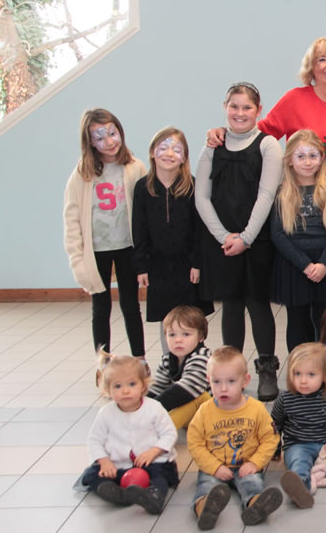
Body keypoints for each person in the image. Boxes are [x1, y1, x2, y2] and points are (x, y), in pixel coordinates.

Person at [207, 38, 326, 295]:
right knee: (306, 286)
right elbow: (259, 133)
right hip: (306, 210)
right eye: (322, 59)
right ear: (311, 67)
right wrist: (226, 132)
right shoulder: (295, 99)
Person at [196, 82, 282, 400]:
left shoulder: (267, 145)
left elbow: (266, 195)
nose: (240, 112)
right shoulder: (212, 147)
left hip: (256, 239)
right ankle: (230, 373)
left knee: (258, 304)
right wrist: (224, 236)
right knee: (231, 305)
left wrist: (246, 238)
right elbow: (202, 197)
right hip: (223, 241)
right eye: (234, 106)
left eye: (247, 107)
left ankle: (267, 368)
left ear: (259, 110)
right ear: (225, 107)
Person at [63, 108, 147, 365]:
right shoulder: (82, 174)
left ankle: (140, 359)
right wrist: (78, 261)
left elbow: (146, 210)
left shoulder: (134, 167)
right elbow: (71, 219)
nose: (109, 142)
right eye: (99, 137)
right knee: (101, 308)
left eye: (112, 133)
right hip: (97, 250)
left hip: (127, 247)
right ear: (89, 142)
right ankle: (104, 363)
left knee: (131, 306)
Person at [133, 127, 213, 356]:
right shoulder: (142, 188)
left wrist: (197, 263)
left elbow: (200, 229)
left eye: (177, 149)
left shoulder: (193, 186)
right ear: (152, 152)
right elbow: (139, 229)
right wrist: (141, 266)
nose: (169, 153)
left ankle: (195, 362)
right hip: (158, 267)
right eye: (163, 148)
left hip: (187, 266)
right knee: (167, 319)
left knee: (191, 318)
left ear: (184, 157)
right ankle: (170, 363)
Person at [187, 346, 282, 530]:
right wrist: (214, 467)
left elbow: (270, 439)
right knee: (207, 487)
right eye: (216, 381)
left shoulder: (256, 409)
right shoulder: (204, 411)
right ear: (208, 380)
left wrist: (255, 463)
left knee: (253, 484)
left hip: (246, 465)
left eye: (231, 381)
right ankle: (204, 509)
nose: (223, 388)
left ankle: (256, 506)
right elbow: (195, 443)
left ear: (245, 381)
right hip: (213, 466)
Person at [270, 129, 326, 350]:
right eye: (301, 156)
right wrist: (305, 265)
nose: (307, 162)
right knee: (298, 322)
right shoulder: (282, 193)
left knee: (325, 322)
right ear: (290, 160)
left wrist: (323, 264)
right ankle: (300, 367)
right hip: (295, 267)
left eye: (313, 156)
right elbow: (278, 234)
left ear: (321, 159)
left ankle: (325, 366)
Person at [76, 355, 178, 514]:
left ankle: (154, 497)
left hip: (151, 462)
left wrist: (154, 451)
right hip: (118, 465)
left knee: (160, 475)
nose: (125, 391)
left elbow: (169, 433)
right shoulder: (106, 413)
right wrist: (104, 461)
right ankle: (118, 494)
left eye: (132, 384)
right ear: (108, 389)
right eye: (117, 386)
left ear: (143, 386)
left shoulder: (154, 408)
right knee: (92, 475)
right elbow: (94, 440)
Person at [273, 343, 326, 509]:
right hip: (298, 446)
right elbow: (275, 426)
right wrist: (275, 449)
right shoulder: (285, 399)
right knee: (298, 461)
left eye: (311, 374)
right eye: (297, 374)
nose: (303, 380)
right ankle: (301, 488)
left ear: (325, 376)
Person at [147, 305, 213, 429]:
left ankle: (160, 432)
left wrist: (150, 411)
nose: (178, 340)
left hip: (212, 416)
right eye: (172, 335)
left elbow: (185, 390)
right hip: (190, 416)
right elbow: (157, 389)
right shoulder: (167, 359)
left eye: (186, 334)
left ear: (201, 337)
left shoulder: (202, 357)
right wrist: (140, 408)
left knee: (198, 395)